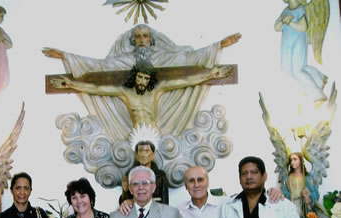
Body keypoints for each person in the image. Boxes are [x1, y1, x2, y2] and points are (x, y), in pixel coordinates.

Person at [43, 24, 240, 140]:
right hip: (134, 135)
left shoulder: (167, 60)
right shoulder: (123, 74)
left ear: (151, 39)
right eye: (137, 37)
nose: (141, 40)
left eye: (145, 36)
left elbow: (186, 75)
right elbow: (97, 80)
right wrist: (66, 61)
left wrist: (217, 52)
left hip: (155, 133)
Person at [51, 61, 231, 131]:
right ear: (134, 76)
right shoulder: (124, 92)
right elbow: (98, 88)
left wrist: (209, 75)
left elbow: (185, 80)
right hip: (135, 134)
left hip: (154, 132)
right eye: (140, 77)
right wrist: (72, 84)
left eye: (146, 78)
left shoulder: (157, 89)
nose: (143, 81)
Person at [274, 0, 328, 105]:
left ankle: (318, 95)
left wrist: (290, 22)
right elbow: (276, 28)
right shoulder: (285, 11)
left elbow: (303, 27)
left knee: (297, 69)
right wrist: (283, 21)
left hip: (298, 40)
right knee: (286, 68)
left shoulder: (300, 9)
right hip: (287, 42)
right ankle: (319, 77)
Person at [119, 140, 169, 206]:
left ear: (153, 154)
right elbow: (123, 203)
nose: (143, 155)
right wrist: (124, 191)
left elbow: (165, 203)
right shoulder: (130, 175)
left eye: (146, 151)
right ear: (136, 154)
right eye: (141, 151)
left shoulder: (160, 175)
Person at [281, 152, 319, 218]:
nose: (292, 162)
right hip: (292, 207)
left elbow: (316, 193)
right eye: (291, 160)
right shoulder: (288, 178)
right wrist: (292, 195)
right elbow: (283, 192)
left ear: (301, 161)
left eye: (295, 159)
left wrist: (308, 197)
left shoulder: (307, 177)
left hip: (304, 208)